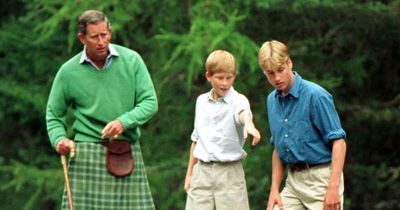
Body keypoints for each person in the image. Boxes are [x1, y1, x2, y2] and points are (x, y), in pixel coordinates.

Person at [46, 10, 158, 210]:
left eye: (104, 35)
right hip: (86, 155)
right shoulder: (68, 72)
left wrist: (123, 122)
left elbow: (150, 102)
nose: (101, 42)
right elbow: (54, 114)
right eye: (94, 37)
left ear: (110, 32)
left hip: (126, 150)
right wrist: (59, 139)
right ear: (82, 38)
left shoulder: (132, 60)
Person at [258, 40, 347, 210]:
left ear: (289, 63)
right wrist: (274, 190)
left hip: (321, 179)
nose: (276, 78)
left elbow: (339, 143)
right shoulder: (271, 100)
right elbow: (278, 148)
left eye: (280, 70)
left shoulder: (316, 95)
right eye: (270, 73)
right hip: (293, 182)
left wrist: (333, 188)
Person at [184, 50, 261, 210]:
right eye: (220, 78)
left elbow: (243, 113)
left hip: (229, 175)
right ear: (209, 76)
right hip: (201, 174)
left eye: (229, 77)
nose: (225, 83)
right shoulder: (201, 102)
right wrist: (190, 174)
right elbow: (196, 140)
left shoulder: (238, 100)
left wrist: (249, 124)